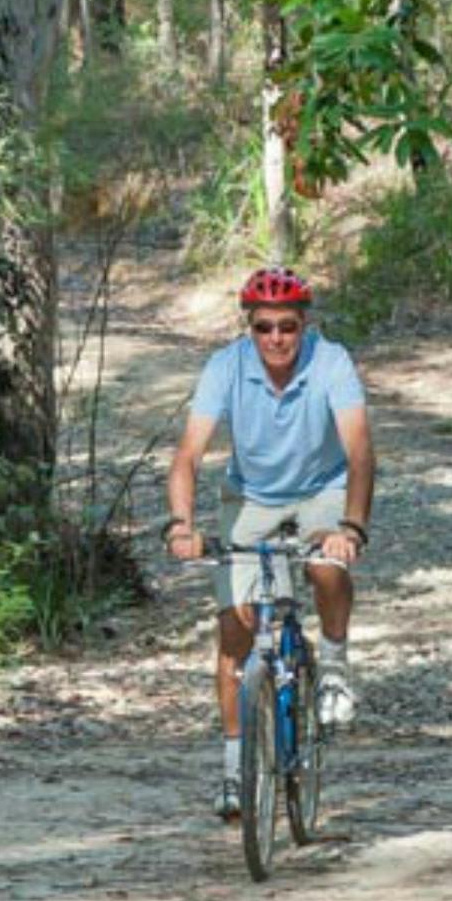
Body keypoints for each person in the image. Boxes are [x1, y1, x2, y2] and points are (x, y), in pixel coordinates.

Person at [165, 266, 375, 820]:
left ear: (304, 325)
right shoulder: (225, 368)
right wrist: (181, 525)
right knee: (235, 631)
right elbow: (188, 455)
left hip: (321, 490)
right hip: (251, 497)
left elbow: (358, 452)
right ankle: (235, 769)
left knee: (326, 564)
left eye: (288, 326)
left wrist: (350, 527)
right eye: (264, 328)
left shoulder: (330, 362)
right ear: (249, 327)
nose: (276, 339)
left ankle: (332, 666)